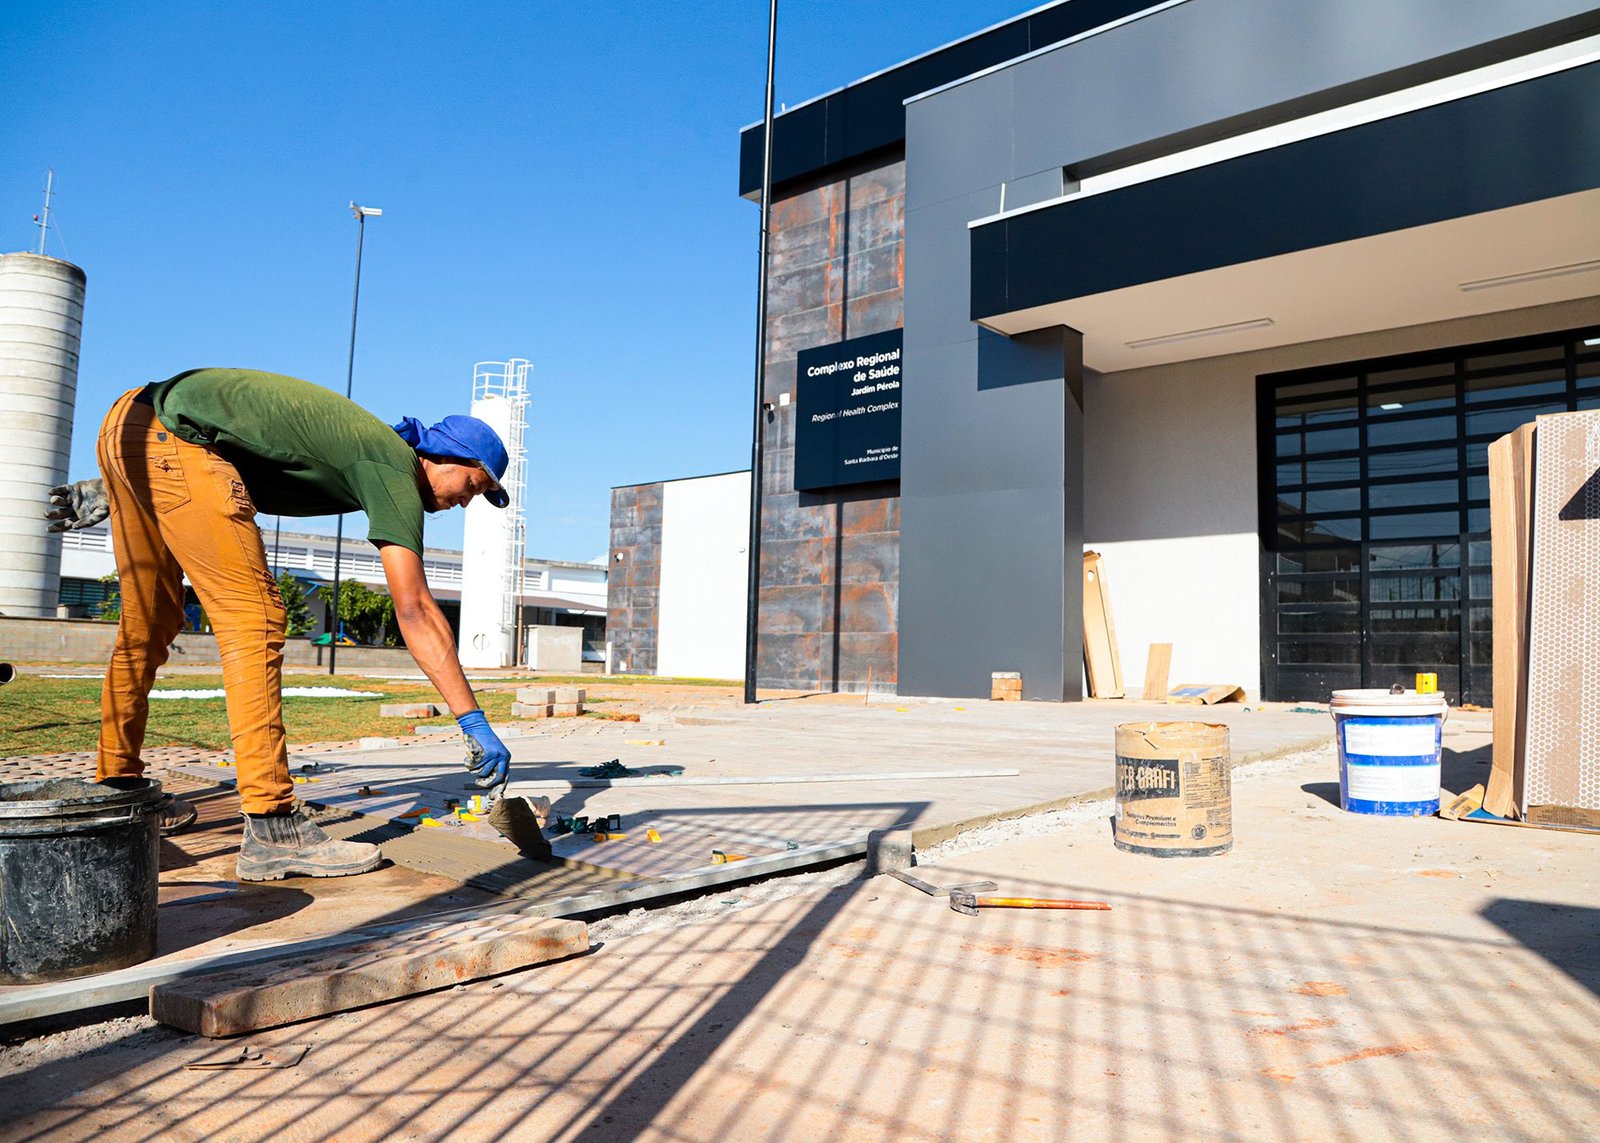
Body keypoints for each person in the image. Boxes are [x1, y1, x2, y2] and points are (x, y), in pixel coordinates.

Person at [45, 368, 516, 881]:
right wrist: (472, 720)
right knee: (256, 617)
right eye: (473, 486)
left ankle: (120, 791)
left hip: (134, 428)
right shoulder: (393, 466)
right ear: (445, 455)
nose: (465, 501)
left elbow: (247, 451)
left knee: (150, 621)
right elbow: (415, 609)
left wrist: (123, 481)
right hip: (172, 439)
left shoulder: (360, 449)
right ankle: (274, 827)